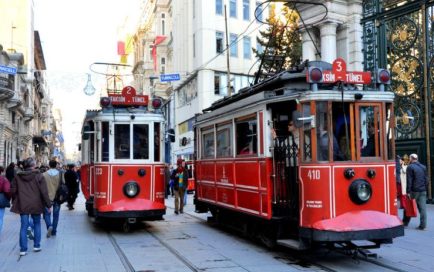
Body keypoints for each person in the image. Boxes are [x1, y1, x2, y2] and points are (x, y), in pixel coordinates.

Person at [10, 157, 52, 256]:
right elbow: (44, 192)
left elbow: (12, 190)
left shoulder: (17, 176)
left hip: (23, 204)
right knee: (37, 224)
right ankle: (36, 245)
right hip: (36, 204)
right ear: (33, 165)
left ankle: (23, 249)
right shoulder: (39, 176)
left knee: (24, 226)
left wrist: (16, 199)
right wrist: (48, 205)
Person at [402, 154, 428, 230]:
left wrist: (408, 192)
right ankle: (423, 225)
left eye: (409, 158)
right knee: (423, 209)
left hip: (414, 190)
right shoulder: (423, 167)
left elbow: (409, 180)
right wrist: (424, 187)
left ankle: (405, 222)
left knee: (408, 206)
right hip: (422, 190)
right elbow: (426, 179)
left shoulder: (410, 167)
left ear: (411, 158)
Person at [43, 159, 63, 237]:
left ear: (49, 165)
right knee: (56, 215)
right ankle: (54, 231)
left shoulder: (44, 174)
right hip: (57, 197)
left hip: (47, 198)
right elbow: (63, 184)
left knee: (46, 214)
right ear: (56, 165)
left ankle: (49, 226)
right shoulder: (61, 174)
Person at [0, 166, 11, 236]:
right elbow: (7, 190)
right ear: (1, 171)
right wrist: (8, 198)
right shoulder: (4, 179)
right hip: (0, 200)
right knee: (0, 218)